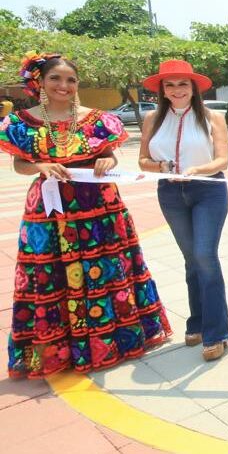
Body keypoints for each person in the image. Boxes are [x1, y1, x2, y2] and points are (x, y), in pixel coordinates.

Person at [1, 53, 171, 379]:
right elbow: (20, 165)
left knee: (107, 270)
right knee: (52, 275)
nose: (63, 86)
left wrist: (108, 161)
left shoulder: (96, 120)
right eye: (55, 78)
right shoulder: (21, 122)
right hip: (51, 210)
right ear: (40, 82)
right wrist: (40, 166)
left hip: (99, 207)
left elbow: (107, 156)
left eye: (71, 80)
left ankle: (114, 342)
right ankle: (61, 351)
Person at [138, 60, 228, 361]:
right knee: (191, 259)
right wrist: (161, 166)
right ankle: (198, 323)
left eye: (182, 84)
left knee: (204, 255)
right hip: (170, 193)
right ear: (162, 90)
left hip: (208, 190)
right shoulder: (152, 119)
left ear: (193, 88)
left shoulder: (212, 117)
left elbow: (222, 160)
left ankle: (217, 333)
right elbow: (142, 160)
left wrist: (196, 170)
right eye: (170, 85)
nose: (176, 90)